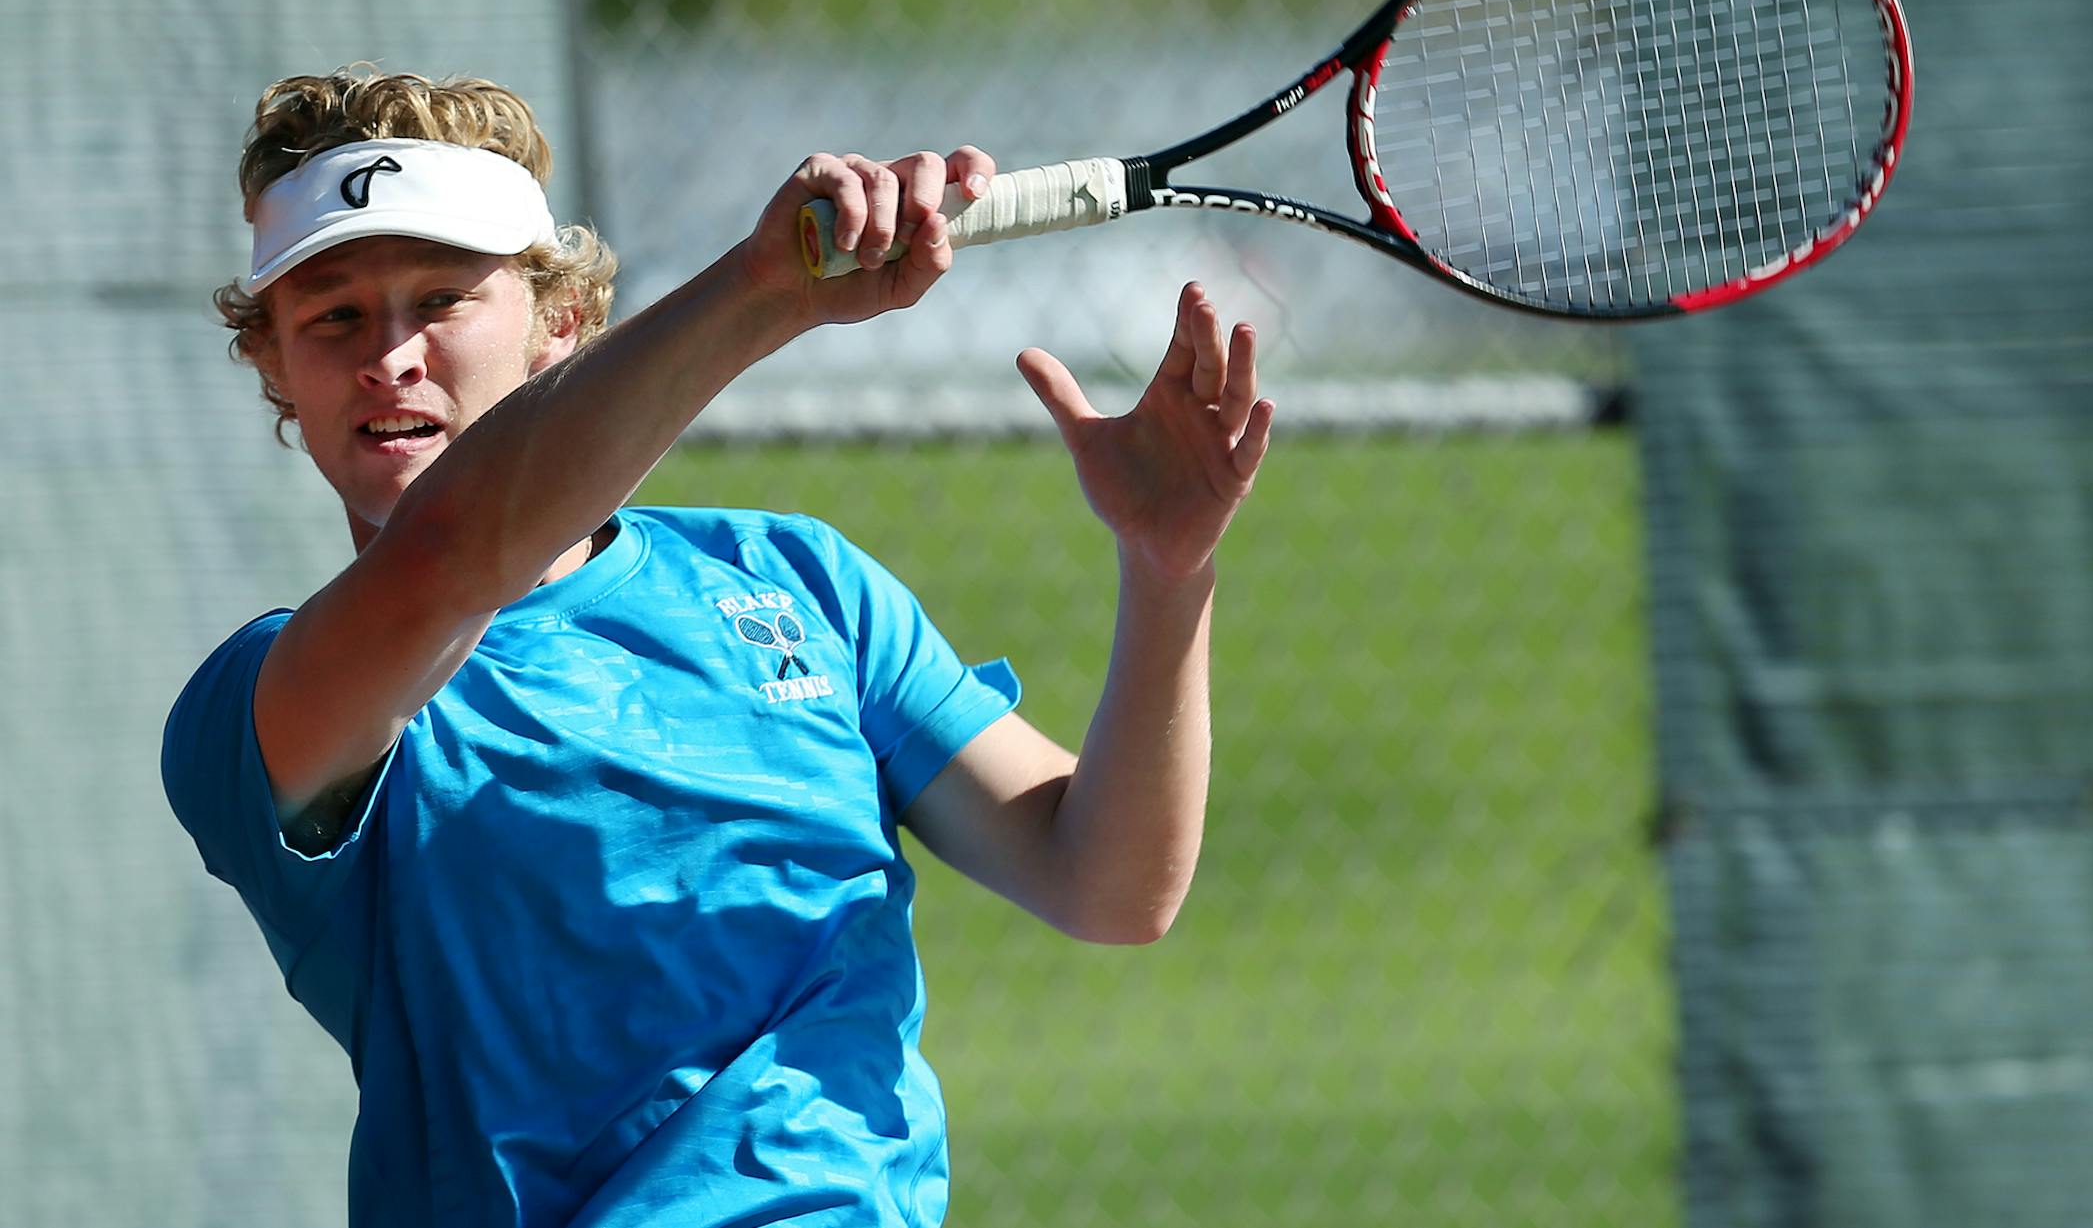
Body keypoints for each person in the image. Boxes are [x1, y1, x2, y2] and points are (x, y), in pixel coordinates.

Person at [162, 68, 1273, 1227]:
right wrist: (765, 290)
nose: (389, 355)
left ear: (563, 327)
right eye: (333, 315)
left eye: (441, 300)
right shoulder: (267, 708)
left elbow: (1110, 880)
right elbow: (456, 555)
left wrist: (1166, 570)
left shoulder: (802, 586)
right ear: (274, 366)